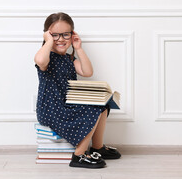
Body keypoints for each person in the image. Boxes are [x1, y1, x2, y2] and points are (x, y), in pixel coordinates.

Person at [34, 12, 121, 169]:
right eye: (55, 35)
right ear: (47, 35)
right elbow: (39, 60)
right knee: (93, 109)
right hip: (51, 109)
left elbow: (88, 72)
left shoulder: (69, 59)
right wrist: (48, 41)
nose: (60, 39)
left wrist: (78, 48)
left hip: (67, 105)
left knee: (101, 106)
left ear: (71, 35)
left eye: (65, 35)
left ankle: (97, 148)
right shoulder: (46, 58)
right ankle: (79, 155)